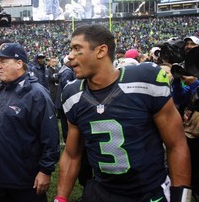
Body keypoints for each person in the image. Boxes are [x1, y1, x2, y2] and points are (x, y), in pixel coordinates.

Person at [55, 24, 191, 202]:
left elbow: (176, 144)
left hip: (148, 193)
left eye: (77, 48)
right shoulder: (72, 94)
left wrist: (181, 196)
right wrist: (61, 198)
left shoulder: (145, 81)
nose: (70, 56)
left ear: (101, 51)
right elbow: (72, 155)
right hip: (103, 192)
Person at [0, 43, 60, 202]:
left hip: (25, 180)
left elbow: (50, 137)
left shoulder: (36, 94)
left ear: (19, 64)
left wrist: (45, 170)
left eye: (3, 62)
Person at [171, 35, 199, 199]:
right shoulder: (189, 70)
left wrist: (195, 83)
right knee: (192, 165)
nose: (188, 46)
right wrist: (177, 81)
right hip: (190, 130)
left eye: (192, 43)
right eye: (187, 43)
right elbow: (181, 99)